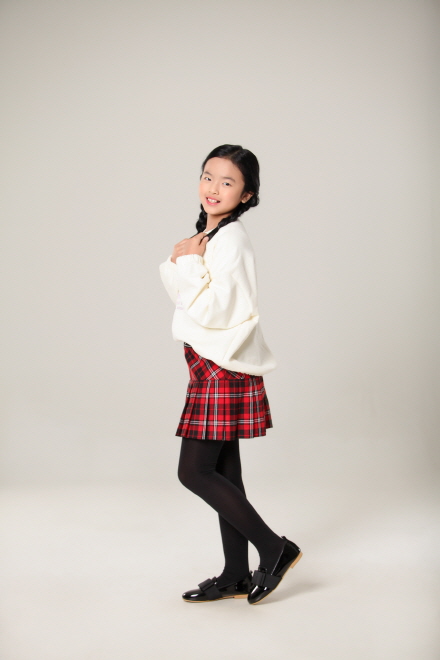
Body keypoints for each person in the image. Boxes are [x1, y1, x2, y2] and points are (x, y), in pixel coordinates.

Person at [159, 144, 302, 605]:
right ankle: (236, 574)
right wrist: (184, 258)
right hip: (210, 365)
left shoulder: (231, 239)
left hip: (221, 368)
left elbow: (219, 309)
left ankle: (275, 549)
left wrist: (185, 261)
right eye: (208, 176)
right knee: (225, 473)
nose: (213, 188)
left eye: (227, 182)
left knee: (194, 471)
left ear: (246, 195)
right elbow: (189, 300)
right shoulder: (210, 235)